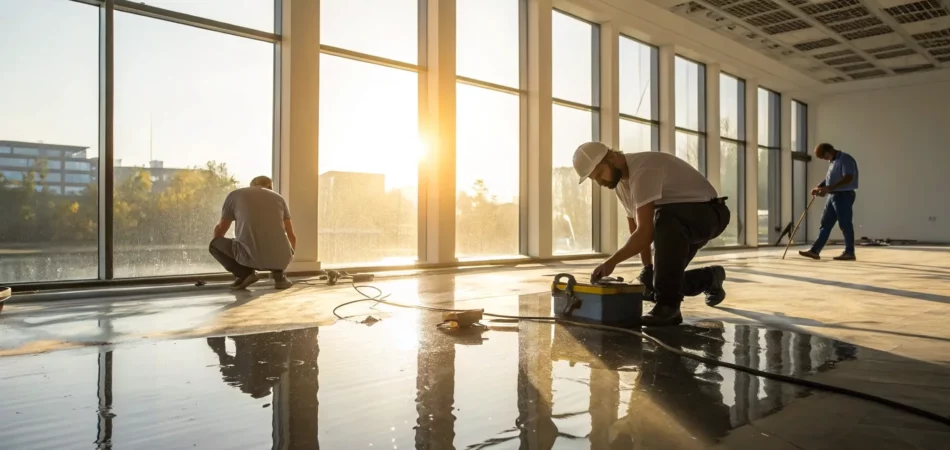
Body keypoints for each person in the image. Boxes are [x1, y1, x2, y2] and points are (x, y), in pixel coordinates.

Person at [574, 142, 730, 326]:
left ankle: (668, 307)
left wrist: (611, 262)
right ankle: (709, 278)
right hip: (681, 223)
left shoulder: (644, 170)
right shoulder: (622, 186)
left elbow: (645, 233)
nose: (600, 182)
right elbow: (636, 228)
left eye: (600, 173)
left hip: (709, 214)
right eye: (594, 179)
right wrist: (647, 269)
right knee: (659, 281)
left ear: (611, 157)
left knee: (664, 218)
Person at [210, 176, 296, 289]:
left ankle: (245, 274)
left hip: (249, 256)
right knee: (278, 243)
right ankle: (280, 276)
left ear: (251, 185)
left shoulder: (235, 195)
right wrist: (287, 257)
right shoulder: (279, 198)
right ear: (270, 187)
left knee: (215, 245)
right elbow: (291, 236)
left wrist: (223, 249)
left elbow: (221, 230)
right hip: (281, 258)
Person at [799, 143, 859, 261]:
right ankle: (815, 251)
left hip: (844, 195)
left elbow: (848, 178)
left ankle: (850, 252)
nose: (824, 159)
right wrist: (820, 186)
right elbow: (830, 179)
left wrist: (829, 188)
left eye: (823, 157)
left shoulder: (845, 159)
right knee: (825, 224)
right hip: (832, 196)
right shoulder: (833, 161)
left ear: (828, 152)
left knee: (845, 224)